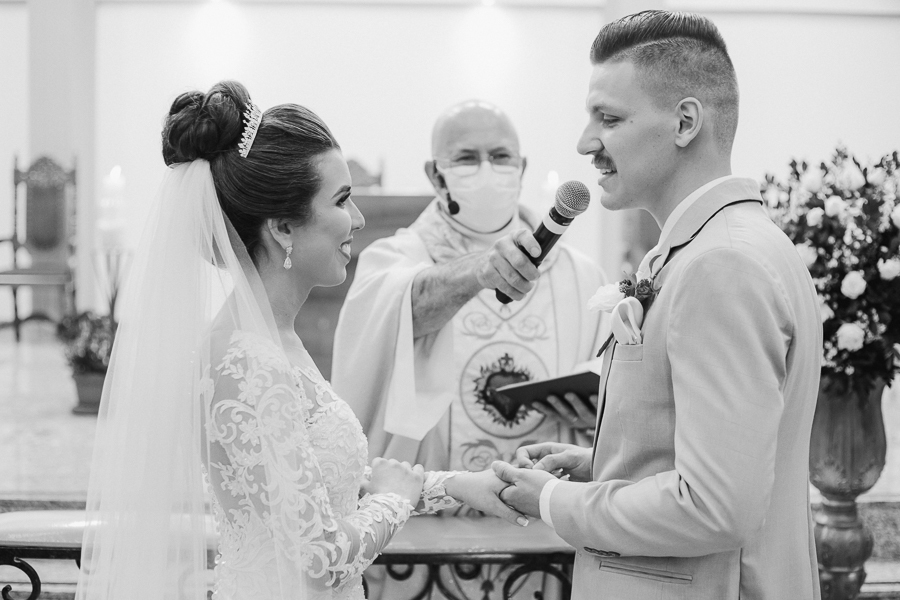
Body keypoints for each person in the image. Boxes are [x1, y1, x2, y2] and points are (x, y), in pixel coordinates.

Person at [74, 81, 526, 600]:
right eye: (342, 200)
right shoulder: (247, 361)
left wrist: (460, 487)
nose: (359, 220)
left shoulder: (271, 339)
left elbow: (321, 492)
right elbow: (321, 560)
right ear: (284, 228)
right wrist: (396, 502)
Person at [491, 10, 823, 600]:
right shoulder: (720, 246)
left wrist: (554, 500)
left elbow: (714, 507)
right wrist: (606, 463)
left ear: (685, 122)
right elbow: (728, 463)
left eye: (609, 118)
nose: (585, 142)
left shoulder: (722, 264)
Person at [332, 100, 607, 477]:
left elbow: (613, 380)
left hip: (548, 502)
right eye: (466, 158)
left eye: (500, 156)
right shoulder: (393, 258)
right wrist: (477, 271)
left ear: (522, 168)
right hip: (432, 504)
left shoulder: (582, 275)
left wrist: (598, 409)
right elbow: (394, 319)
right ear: (435, 174)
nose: (487, 169)